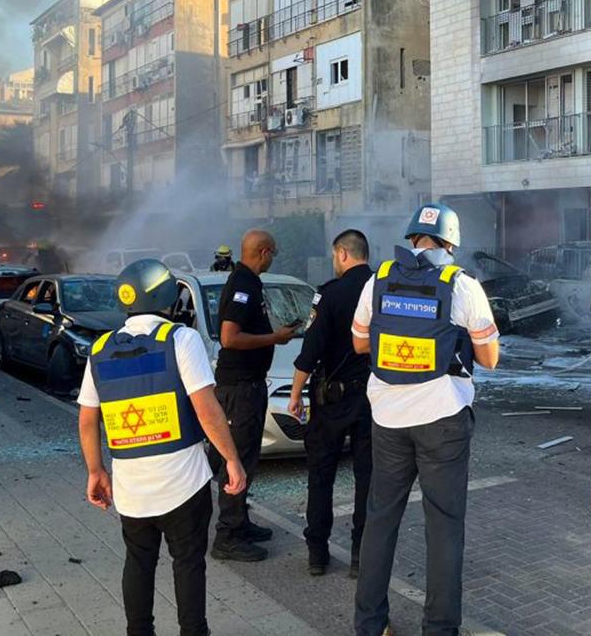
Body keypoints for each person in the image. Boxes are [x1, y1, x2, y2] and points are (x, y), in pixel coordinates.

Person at [351, 202, 500, 636]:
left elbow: (360, 344)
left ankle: (370, 624)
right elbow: (490, 358)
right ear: (450, 243)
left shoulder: (377, 279)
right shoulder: (462, 285)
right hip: (443, 420)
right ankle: (439, 629)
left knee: (381, 519)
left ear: (411, 237)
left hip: (388, 418)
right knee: (444, 527)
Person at [77, 258, 248, 636]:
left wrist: (95, 471)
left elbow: (88, 419)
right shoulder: (181, 339)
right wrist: (232, 460)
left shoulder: (100, 349)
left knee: (138, 562)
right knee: (188, 564)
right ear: (167, 297)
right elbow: (206, 409)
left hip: (131, 489)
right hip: (183, 484)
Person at [209, 229, 301, 562]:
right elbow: (229, 338)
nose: (273, 257)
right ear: (262, 252)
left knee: (246, 458)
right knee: (236, 458)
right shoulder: (242, 284)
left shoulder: (249, 282)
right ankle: (228, 536)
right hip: (239, 387)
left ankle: (240, 521)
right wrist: (273, 338)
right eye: (272, 252)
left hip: (250, 384)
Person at [287, 229, 374, 577]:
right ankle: (360, 556)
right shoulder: (383, 289)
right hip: (373, 399)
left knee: (321, 476)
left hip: (332, 401)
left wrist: (295, 394)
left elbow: (311, 350)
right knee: (368, 478)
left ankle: (317, 554)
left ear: (342, 254)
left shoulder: (330, 294)